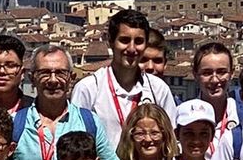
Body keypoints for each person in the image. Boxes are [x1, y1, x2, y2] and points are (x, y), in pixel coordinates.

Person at [14, 45, 122, 160]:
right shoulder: (15, 125)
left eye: (60, 73)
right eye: (44, 73)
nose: (53, 80)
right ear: (32, 79)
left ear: (71, 78)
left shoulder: (90, 122)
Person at [71, 8, 178, 152]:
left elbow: (171, 140)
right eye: (125, 40)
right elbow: (76, 143)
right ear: (110, 42)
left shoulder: (158, 88)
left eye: (139, 41)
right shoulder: (88, 89)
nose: (132, 48)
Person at [191, 42, 241, 157]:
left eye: (221, 72)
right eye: (207, 73)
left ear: (232, 74)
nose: (214, 80)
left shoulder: (242, 115)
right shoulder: (184, 116)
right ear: (195, 75)